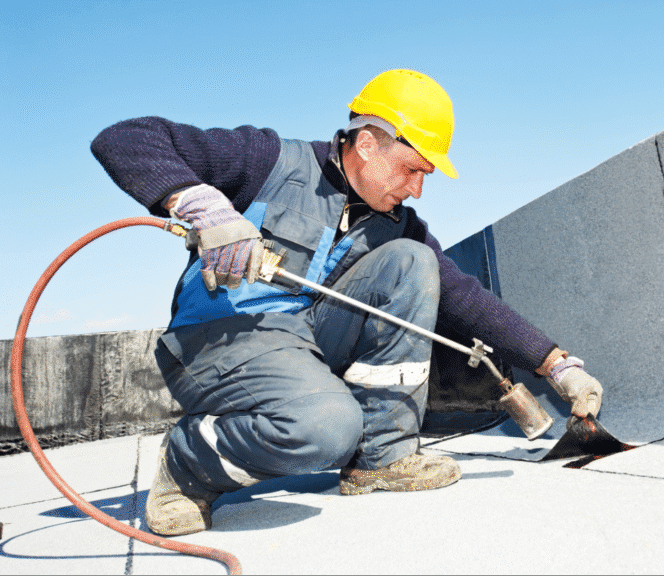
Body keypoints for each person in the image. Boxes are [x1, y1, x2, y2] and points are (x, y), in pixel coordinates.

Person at [91, 69, 603, 536]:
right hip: (219, 337)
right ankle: (187, 462)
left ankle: (381, 458)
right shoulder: (269, 160)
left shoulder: (395, 222)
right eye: (411, 170)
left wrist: (556, 366)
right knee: (326, 429)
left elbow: (464, 297)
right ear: (367, 143)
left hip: (302, 339)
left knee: (413, 263)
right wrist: (202, 205)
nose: (418, 190)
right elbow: (124, 139)